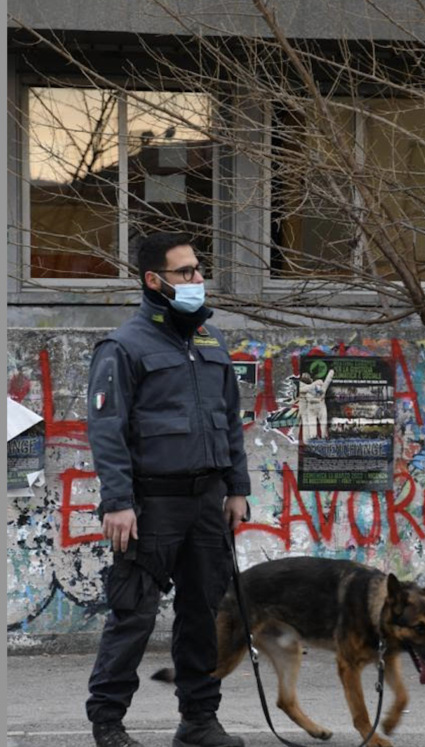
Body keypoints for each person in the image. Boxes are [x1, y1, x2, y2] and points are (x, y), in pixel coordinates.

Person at [85, 233, 251, 747]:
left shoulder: (212, 342)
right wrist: (117, 503)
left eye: (198, 270)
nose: (197, 280)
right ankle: (108, 723)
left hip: (207, 502)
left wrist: (236, 488)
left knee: (203, 616)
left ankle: (199, 721)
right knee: (133, 616)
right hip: (151, 505)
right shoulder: (124, 346)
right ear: (153, 280)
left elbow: (229, 421)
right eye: (185, 273)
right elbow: (107, 429)